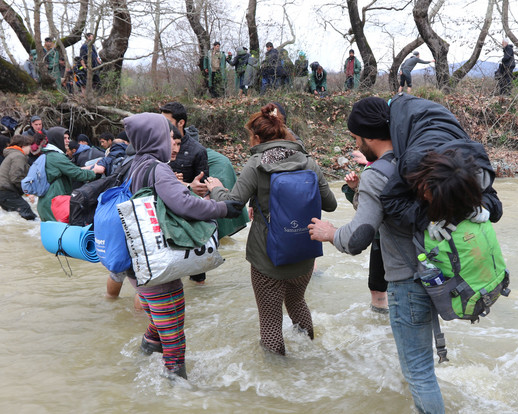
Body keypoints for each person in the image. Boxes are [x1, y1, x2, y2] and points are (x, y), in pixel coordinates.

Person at [308, 96, 498, 413]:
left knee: (419, 375)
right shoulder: (422, 161)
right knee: (423, 370)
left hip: (408, 286)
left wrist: (330, 234)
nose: (355, 144)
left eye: (355, 138)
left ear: (367, 138)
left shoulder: (376, 174)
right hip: (438, 276)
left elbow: (358, 237)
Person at [206, 103, 337, 356]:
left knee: (270, 321)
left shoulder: (256, 164)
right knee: (298, 303)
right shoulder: (309, 161)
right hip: (304, 253)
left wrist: (216, 189)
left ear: (256, 138)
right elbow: (330, 205)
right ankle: (311, 354)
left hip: (267, 258)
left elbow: (233, 205)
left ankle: (278, 377)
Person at [120, 112, 242, 380]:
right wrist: (221, 208)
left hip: (136, 260)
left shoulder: (133, 163)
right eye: (167, 135)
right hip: (156, 262)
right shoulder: (157, 167)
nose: (172, 141)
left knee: (157, 324)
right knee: (173, 331)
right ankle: (178, 391)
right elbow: (182, 204)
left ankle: (134, 369)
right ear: (156, 137)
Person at [159, 102, 211, 284]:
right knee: (164, 273)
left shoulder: (198, 151)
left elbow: (204, 190)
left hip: (190, 219)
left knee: (197, 275)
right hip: (162, 218)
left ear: (180, 123)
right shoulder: (158, 146)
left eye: (167, 121)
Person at [340, 150, 388, 312]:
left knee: (379, 286)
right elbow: (364, 206)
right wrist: (354, 188)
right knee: (377, 286)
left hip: (387, 236)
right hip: (379, 235)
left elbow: (368, 208)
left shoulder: (382, 169)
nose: (358, 146)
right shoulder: (374, 168)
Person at [37, 127, 104, 222]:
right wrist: (95, 171)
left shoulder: (49, 154)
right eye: (64, 138)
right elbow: (77, 174)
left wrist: (90, 167)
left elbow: (71, 169)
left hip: (48, 201)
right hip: (53, 202)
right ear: (56, 139)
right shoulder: (57, 157)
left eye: (68, 138)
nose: (68, 141)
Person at [0, 135, 36, 220]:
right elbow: (16, 177)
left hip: (4, 192)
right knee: (27, 212)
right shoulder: (18, 156)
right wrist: (28, 192)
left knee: (14, 216)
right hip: (6, 192)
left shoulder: (14, 155)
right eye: (29, 146)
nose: (30, 148)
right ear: (23, 146)